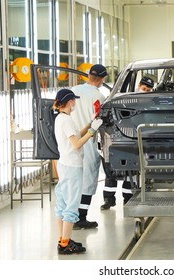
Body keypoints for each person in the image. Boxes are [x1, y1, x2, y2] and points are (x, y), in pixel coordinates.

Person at [52, 88, 103, 254]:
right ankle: (65, 245)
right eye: (74, 100)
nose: (76, 103)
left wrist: (90, 123)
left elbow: (75, 136)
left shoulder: (62, 118)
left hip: (64, 164)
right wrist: (92, 131)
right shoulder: (66, 120)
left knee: (62, 204)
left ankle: (63, 239)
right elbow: (77, 144)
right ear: (69, 102)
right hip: (72, 167)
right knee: (72, 206)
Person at [100, 76, 153, 210]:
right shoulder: (124, 99)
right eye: (143, 88)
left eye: (147, 90)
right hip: (117, 137)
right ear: (139, 85)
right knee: (111, 171)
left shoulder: (149, 104)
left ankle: (128, 199)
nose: (144, 91)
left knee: (131, 172)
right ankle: (108, 199)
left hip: (134, 139)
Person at [70, 64, 107, 230]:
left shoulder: (73, 89)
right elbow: (101, 120)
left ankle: (70, 216)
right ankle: (81, 218)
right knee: (88, 179)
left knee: (71, 180)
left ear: (88, 75)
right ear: (103, 79)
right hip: (88, 140)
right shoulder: (99, 96)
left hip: (69, 142)